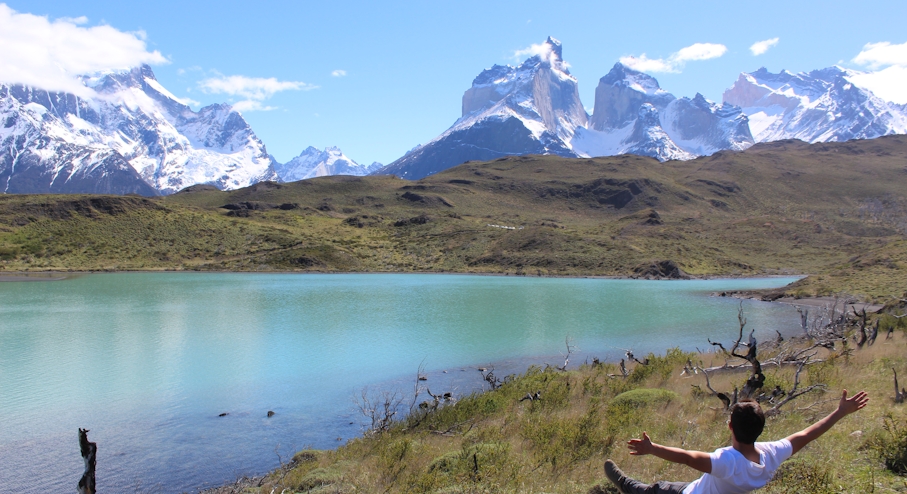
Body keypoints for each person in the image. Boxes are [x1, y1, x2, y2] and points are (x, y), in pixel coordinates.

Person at [603, 390, 869, 494]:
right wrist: (840, 412)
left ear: (730, 426)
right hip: (698, 487)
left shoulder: (728, 462)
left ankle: (624, 484)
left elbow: (686, 456)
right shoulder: (771, 455)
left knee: (654, 490)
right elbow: (806, 435)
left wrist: (652, 449)